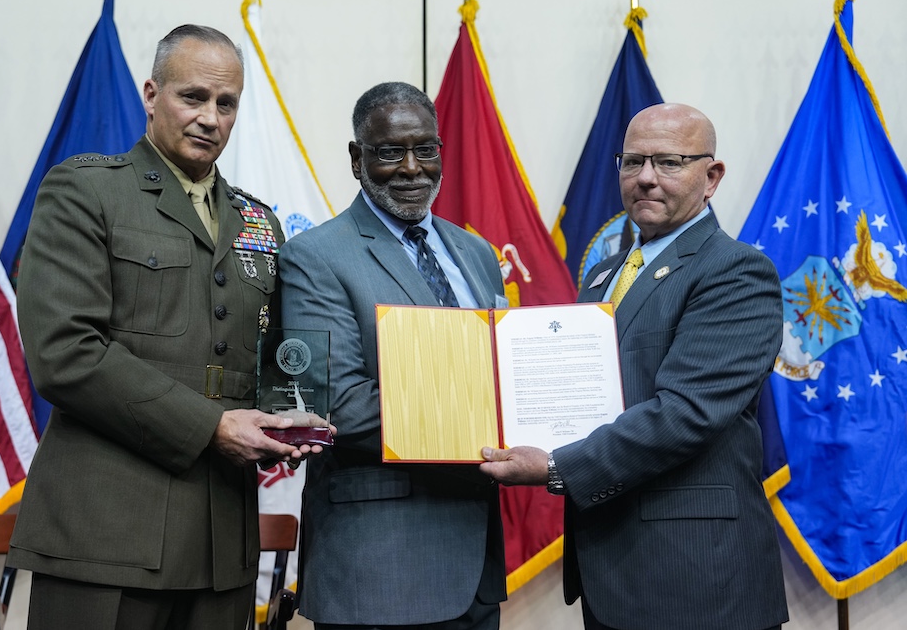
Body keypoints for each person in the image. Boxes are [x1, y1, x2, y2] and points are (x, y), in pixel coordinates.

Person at [8, 24, 330, 630]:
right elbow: (64, 353)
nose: (211, 117)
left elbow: (276, 362)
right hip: (103, 534)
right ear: (152, 94)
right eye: (193, 97)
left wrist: (293, 416)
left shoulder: (259, 222)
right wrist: (211, 427)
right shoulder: (85, 190)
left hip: (220, 547)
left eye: (226, 103)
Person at [480, 103, 789, 630]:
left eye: (668, 162)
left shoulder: (735, 271)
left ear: (711, 177)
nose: (645, 178)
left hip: (695, 577)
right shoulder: (603, 275)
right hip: (613, 569)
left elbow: (685, 414)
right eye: (632, 161)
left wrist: (556, 466)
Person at [278, 81, 509, 630]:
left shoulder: (475, 253)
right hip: (379, 568)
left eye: (425, 149)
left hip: (476, 568)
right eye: (389, 152)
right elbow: (335, 404)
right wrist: (494, 410)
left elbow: (504, 367)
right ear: (357, 159)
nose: (412, 168)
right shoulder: (314, 257)